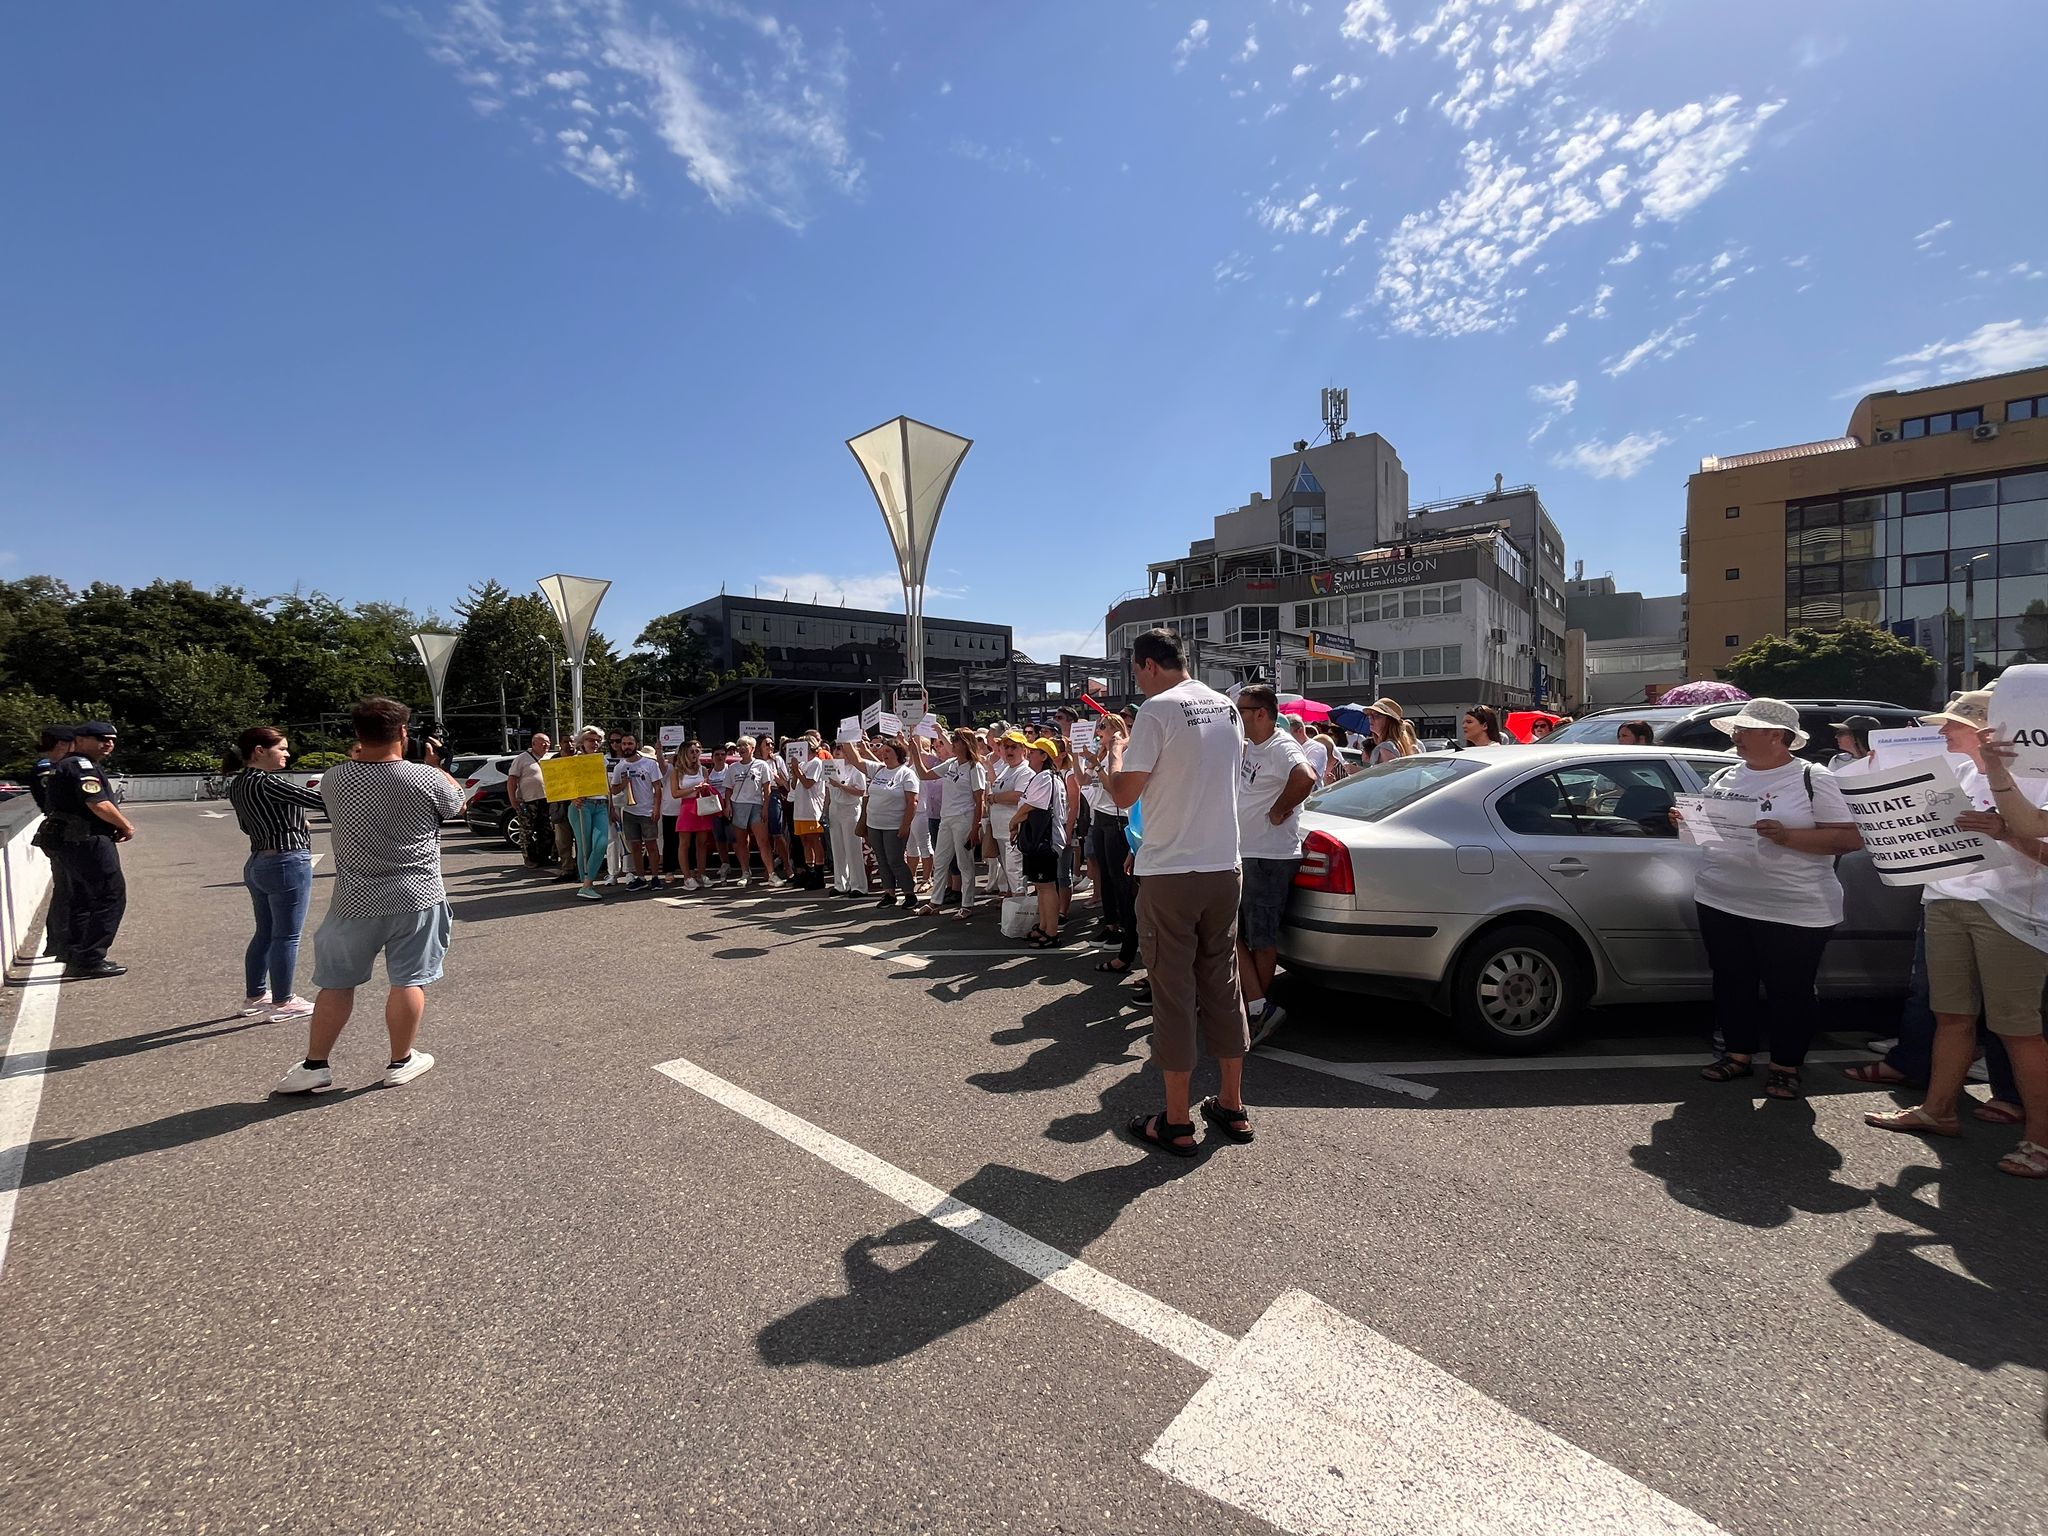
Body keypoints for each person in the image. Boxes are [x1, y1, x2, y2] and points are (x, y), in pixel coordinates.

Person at [1865, 694, 2048, 1177]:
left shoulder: (2040, 776)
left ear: (1990, 730)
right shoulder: (1963, 773)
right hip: (1946, 900)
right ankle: (1939, 1110)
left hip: (2011, 913)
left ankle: (2041, 1140)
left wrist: (2006, 833)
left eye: (1954, 725)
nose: (1944, 732)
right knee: (1951, 1015)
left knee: (2017, 1028)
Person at [1104, 628, 1250, 1156]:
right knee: (1223, 983)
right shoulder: (1228, 708)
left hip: (1171, 869)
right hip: (1224, 865)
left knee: (1172, 993)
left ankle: (1176, 1120)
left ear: (1146, 665)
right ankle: (1231, 1104)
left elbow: (1124, 792)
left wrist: (1115, 751)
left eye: (1137, 672)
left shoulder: (1157, 711)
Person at [273, 698, 462, 1093]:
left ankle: (315, 1065)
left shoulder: (335, 779)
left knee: (337, 984)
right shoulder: (424, 779)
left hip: (354, 897)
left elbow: (351, 775)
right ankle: (400, 1060)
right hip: (417, 893)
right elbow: (456, 804)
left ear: (357, 735)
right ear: (404, 733)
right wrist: (436, 765)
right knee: (409, 980)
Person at [1678, 698, 1861, 1100]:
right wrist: (1689, 822)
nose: (1737, 737)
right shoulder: (1725, 775)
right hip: (1721, 897)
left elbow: (1850, 838)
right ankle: (1737, 1055)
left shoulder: (1813, 778)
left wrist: (1787, 836)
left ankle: (1785, 1066)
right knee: (1732, 982)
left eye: (1746, 730)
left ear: (1778, 737)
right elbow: (1707, 834)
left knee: (1790, 989)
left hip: (1794, 904)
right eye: (1737, 730)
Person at [224, 725, 325, 1022]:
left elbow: (246, 825)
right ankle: (284, 1001)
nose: (287, 753)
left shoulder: (238, 784)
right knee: (287, 935)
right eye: (281, 748)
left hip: (257, 860)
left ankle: (255, 995)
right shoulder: (268, 782)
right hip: (286, 860)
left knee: (265, 933)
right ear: (259, 751)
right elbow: (319, 801)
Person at [1235, 684, 1317, 1045]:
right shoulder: (1251, 745)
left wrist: (1280, 809)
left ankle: (1258, 1011)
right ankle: (1251, 1005)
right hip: (1248, 853)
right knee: (1236, 935)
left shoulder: (1281, 745)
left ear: (1262, 713)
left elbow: (1306, 777)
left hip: (1268, 856)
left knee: (1260, 938)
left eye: (1243, 709)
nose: (1238, 715)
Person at [42, 721, 135, 980]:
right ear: (80, 740)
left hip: (72, 839)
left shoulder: (72, 764)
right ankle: (90, 958)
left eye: (112, 740)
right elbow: (97, 803)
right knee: (110, 895)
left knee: (82, 897)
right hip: (86, 838)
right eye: (101, 738)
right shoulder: (80, 766)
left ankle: (74, 953)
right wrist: (125, 825)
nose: (108, 744)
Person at [909, 727, 988, 918]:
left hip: (964, 818)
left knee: (964, 863)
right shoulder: (951, 764)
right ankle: (935, 901)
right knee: (941, 860)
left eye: (957, 740)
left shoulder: (974, 767)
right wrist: (915, 752)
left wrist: (975, 826)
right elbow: (925, 775)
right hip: (946, 817)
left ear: (966, 743)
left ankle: (967, 904)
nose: (953, 743)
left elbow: (980, 799)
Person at [1008, 737, 1069, 946]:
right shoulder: (1044, 777)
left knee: (1047, 886)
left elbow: (1032, 806)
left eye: (1035, 751)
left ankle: (1051, 932)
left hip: (1045, 840)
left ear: (1044, 756)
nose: (1030, 753)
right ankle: (1044, 926)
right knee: (1041, 886)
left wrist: (1013, 821)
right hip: (1040, 840)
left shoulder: (1046, 777)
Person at [27, 725, 75, 965]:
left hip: (59, 831)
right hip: (62, 832)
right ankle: (60, 943)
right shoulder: (47, 770)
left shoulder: (49, 768)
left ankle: (58, 942)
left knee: (65, 888)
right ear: (61, 745)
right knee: (68, 889)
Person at [855, 735, 919, 906]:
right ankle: (889, 894)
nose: (884, 754)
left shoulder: (907, 774)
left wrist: (905, 826)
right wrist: (848, 737)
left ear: (898, 753)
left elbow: (912, 802)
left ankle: (909, 894)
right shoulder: (878, 769)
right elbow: (856, 760)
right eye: (883, 751)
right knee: (882, 861)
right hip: (874, 825)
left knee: (895, 860)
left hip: (894, 826)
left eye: (888, 751)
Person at [610, 731, 665, 891]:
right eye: (624, 744)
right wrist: (623, 783)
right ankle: (640, 877)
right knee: (634, 846)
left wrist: (656, 807)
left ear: (636, 745)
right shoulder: (620, 766)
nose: (627, 747)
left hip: (647, 810)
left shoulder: (650, 764)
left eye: (630, 744)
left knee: (651, 845)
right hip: (629, 811)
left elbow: (657, 787)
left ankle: (655, 878)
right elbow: (614, 790)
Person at [567, 725, 612, 900]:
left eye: (597, 740)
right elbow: (562, 785)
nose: (594, 743)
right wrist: (572, 798)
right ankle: (587, 884)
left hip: (601, 804)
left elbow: (607, 787)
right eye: (590, 740)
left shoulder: (603, 760)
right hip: (582, 805)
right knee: (585, 846)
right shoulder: (573, 761)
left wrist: (612, 808)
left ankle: (587, 883)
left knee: (601, 843)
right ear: (582, 742)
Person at [986, 731, 1033, 900]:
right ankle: (1014, 908)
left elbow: (1018, 796)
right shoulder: (1006, 769)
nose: (1009, 750)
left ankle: (1020, 911)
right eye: (1006, 747)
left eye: (1014, 747)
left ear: (1024, 750)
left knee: (1016, 874)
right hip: (1001, 831)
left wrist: (995, 798)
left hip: (1014, 831)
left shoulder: (1025, 771)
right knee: (1009, 872)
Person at [667, 741, 717, 891]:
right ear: (684, 754)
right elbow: (675, 793)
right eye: (691, 752)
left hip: (702, 806)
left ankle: (701, 874)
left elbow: (708, 789)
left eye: (697, 751)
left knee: (702, 843)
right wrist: (693, 788)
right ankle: (687, 877)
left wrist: (706, 788)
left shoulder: (703, 770)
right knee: (684, 844)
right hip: (687, 807)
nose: (695, 754)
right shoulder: (677, 771)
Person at [825, 740, 870, 896]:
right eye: (835, 749)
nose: (837, 752)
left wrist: (841, 786)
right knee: (837, 848)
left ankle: (858, 886)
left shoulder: (856, 769)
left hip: (850, 809)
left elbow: (860, 791)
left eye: (841, 749)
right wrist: (825, 811)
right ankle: (840, 884)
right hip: (835, 809)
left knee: (852, 848)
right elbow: (828, 792)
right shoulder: (831, 766)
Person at [506, 732, 554, 870]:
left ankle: (544, 857)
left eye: (548, 742)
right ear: (533, 744)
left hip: (547, 799)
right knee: (527, 831)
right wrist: (513, 799)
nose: (546, 745)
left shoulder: (550, 758)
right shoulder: (522, 759)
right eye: (542, 742)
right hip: (528, 800)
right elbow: (512, 780)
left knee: (545, 830)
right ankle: (530, 858)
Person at [787, 734, 828, 888]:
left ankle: (819, 873)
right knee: (804, 840)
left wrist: (797, 769)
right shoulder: (802, 763)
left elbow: (808, 783)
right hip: (800, 807)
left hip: (812, 808)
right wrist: (794, 770)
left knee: (814, 840)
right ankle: (808, 870)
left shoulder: (816, 763)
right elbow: (794, 784)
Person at [1363, 698, 1420, 765]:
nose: (1371, 718)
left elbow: (1393, 774)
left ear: (1389, 721)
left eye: (1376, 716)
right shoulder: (1402, 744)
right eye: (1369, 715)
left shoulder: (1386, 747)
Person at [1284, 714, 1330, 786]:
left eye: (1287, 734)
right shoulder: (1285, 747)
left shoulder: (1317, 748)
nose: (1284, 737)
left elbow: (1306, 774)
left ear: (1300, 731)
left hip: (1311, 795)